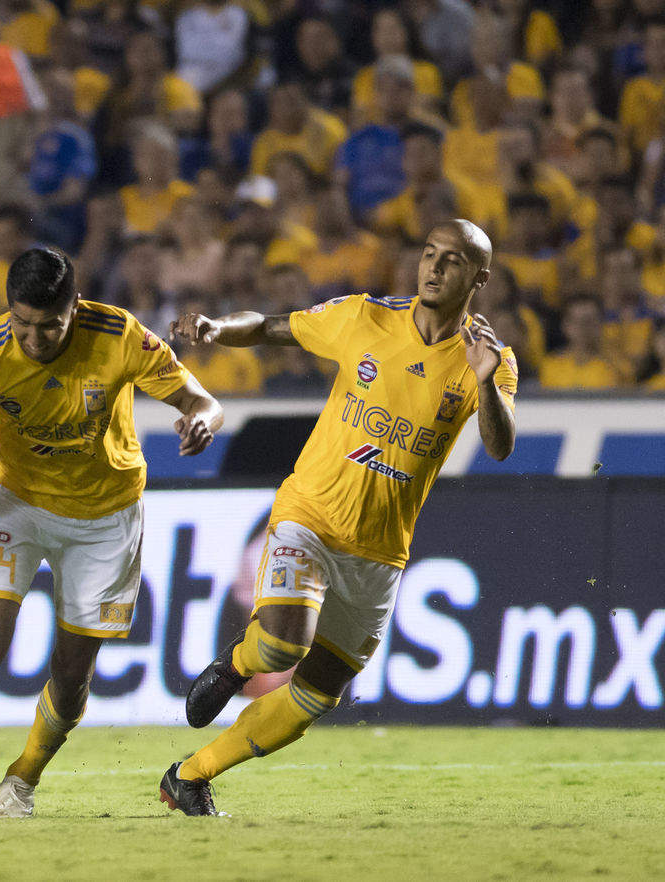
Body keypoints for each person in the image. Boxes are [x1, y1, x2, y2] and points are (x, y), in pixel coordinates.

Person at [161, 220, 517, 815]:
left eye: (452, 261)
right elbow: (272, 326)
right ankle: (236, 663)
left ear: (478, 279)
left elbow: (500, 445)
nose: (434, 268)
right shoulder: (364, 317)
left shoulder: (489, 359)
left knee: (316, 696)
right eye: (429, 253)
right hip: (312, 515)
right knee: (280, 647)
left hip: (380, 551)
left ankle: (189, 777)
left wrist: (485, 384)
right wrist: (219, 327)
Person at [0, 247, 223, 818]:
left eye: (50, 326)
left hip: (105, 515)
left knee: (71, 678)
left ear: (76, 306)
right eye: (22, 324)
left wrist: (201, 421)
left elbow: (202, 399)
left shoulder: (119, 335)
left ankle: (22, 778)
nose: (34, 339)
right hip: (16, 500)